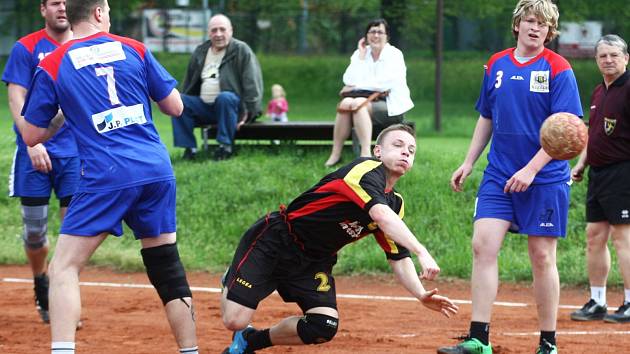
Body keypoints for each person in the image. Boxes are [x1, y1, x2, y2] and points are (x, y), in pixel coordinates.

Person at [20, 1, 198, 353]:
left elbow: (30, 135)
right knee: (167, 266)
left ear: (71, 16)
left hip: (107, 173)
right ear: (100, 13)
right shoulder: (134, 48)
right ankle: (190, 350)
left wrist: (63, 113)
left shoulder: (54, 63)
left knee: (63, 268)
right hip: (155, 169)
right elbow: (175, 107)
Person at [220, 124, 459, 354]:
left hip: (314, 260)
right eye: (398, 145)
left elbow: (397, 256)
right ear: (378, 151)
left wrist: (420, 294)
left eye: (411, 150)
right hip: (276, 241)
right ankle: (234, 276)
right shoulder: (364, 170)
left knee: (323, 325)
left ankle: (251, 341)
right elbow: (380, 215)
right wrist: (422, 251)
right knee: (234, 320)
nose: (406, 151)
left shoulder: (395, 204)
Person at [438, 1, 582, 353]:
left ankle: (547, 343)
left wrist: (531, 170)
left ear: (550, 31)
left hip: (545, 177)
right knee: (482, 246)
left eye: (543, 24)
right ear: (516, 24)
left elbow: (567, 132)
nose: (535, 28)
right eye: (529, 21)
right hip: (500, 173)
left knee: (542, 256)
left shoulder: (558, 68)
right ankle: (478, 339)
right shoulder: (496, 64)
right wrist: (469, 161)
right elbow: (486, 116)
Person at [1, 0, 78, 324]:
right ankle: (40, 280)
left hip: (74, 152)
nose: (62, 8)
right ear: (43, 9)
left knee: (74, 230)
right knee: (35, 232)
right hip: (34, 153)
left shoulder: (82, 46)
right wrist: (31, 142)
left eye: (66, 2)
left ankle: (64, 297)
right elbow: (16, 99)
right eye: (55, 2)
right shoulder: (26, 47)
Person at [569, 34, 630, 324]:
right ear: (596, 60)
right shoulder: (598, 92)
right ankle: (597, 301)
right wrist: (582, 164)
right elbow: (593, 135)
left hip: (624, 171)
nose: (608, 60)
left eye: (614, 55)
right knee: (595, 237)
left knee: (624, 238)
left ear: (626, 58)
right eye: (603, 56)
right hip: (599, 173)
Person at [171, 14, 263, 161]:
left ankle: (225, 148)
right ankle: (190, 150)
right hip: (204, 106)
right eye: (214, 30)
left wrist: (250, 112)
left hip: (231, 106)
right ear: (209, 33)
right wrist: (183, 102)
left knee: (225, 97)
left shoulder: (241, 50)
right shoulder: (201, 51)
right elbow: (189, 82)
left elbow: (252, 83)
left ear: (231, 30)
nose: (218, 34)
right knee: (178, 100)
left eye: (222, 29)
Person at [324, 18, 413, 168]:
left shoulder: (394, 55)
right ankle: (336, 153)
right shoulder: (360, 54)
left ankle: (365, 154)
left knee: (357, 103)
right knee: (346, 103)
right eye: (372, 31)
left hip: (391, 107)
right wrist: (360, 57)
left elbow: (385, 83)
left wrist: (355, 87)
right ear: (366, 36)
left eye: (380, 32)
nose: (376, 35)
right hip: (365, 103)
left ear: (387, 36)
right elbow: (348, 79)